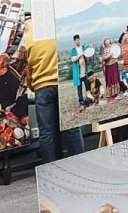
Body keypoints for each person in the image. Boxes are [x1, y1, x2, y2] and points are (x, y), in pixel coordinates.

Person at [26, 15, 85, 163]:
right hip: (61, 85)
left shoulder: (27, 39)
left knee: (46, 132)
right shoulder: (54, 32)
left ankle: (51, 169)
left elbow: (27, 70)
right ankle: (81, 164)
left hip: (42, 88)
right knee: (71, 126)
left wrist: (33, 86)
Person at [70, 35, 90, 106]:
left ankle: (89, 97)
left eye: (78, 40)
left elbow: (87, 55)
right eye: (76, 40)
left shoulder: (83, 47)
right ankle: (81, 100)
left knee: (87, 85)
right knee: (79, 87)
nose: (78, 41)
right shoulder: (73, 50)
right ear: (74, 41)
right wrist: (80, 55)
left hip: (84, 70)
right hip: (78, 72)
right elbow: (73, 59)